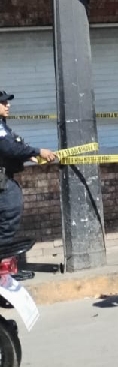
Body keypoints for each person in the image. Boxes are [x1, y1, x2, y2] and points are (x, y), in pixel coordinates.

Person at [0, 90, 58, 267]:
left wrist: (25, 156)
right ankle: (3, 268)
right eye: (3, 102)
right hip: (3, 184)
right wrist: (37, 151)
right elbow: (9, 147)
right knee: (7, 221)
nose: (8, 105)